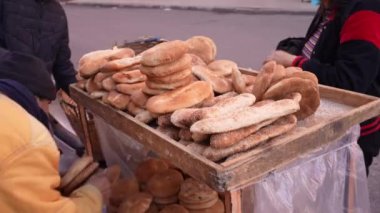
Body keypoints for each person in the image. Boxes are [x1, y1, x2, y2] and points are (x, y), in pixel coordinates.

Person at [266, 0, 380, 174]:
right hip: (324, 124)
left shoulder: (365, 11)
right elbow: (321, 46)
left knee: (339, 197)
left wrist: (294, 62)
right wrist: (289, 50)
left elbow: (349, 81)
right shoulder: (331, 5)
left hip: (350, 135)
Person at [0, 51, 110, 212]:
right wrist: (95, 193)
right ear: (36, 99)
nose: (48, 111)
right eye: (49, 103)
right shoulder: (29, 138)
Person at [0, 0, 77, 95]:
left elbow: (63, 67)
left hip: (36, 102)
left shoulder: (58, 14)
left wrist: (81, 94)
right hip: (6, 95)